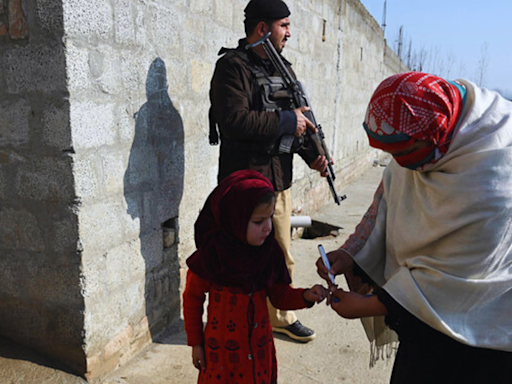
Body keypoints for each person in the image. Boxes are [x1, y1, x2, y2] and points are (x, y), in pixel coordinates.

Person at [316, 72, 512, 383]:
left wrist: (373, 305)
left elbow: (457, 281)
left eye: (402, 152)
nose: (398, 163)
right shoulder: (427, 133)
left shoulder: (494, 175)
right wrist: (351, 252)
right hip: (423, 338)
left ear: (436, 136)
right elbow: (386, 200)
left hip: (481, 340)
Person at [208, 0, 328, 342]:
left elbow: (299, 125)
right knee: (238, 261)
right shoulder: (232, 68)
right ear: (263, 28)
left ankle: (279, 316)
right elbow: (233, 122)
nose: (288, 33)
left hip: (277, 184)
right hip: (244, 188)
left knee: (281, 257)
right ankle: (234, 321)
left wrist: (314, 157)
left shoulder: (283, 70)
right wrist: (289, 119)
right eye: (284, 25)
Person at [183, 170, 328, 384]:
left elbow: (278, 295)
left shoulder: (269, 252)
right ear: (235, 219)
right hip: (220, 356)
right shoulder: (214, 255)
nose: (267, 227)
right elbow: (192, 297)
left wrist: (306, 296)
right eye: (259, 221)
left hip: (258, 354)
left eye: (270, 217)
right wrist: (196, 344)